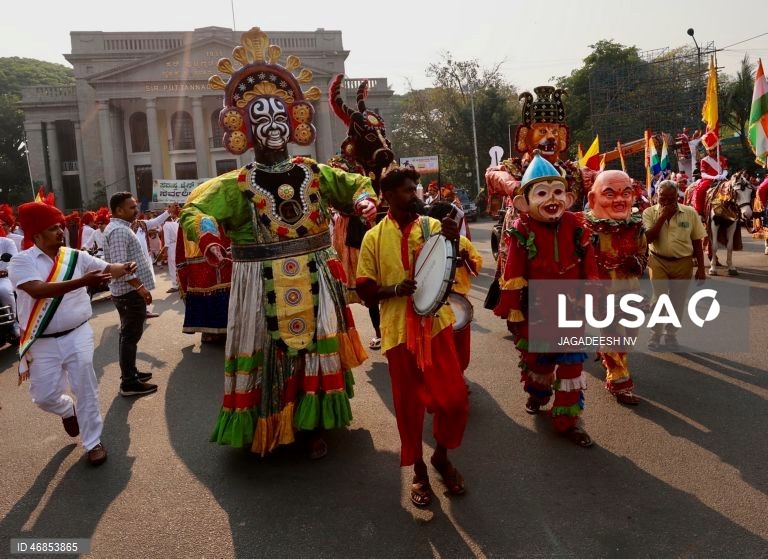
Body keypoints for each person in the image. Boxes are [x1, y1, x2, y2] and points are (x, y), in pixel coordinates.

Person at [179, 27, 376, 458]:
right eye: (261, 119)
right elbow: (194, 210)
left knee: (315, 348)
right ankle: (268, 419)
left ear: (296, 121)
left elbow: (356, 184)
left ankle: (315, 421)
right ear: (243, 129)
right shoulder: (235, 184)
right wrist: (209, 237)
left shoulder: (314, 172)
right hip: (258, 283)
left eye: (280, 117)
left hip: (316, 276)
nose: (273, 127)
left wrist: (364, 200)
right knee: (269, 353)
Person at [357, 166, 468, 507]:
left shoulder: (432, 226)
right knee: (408, 409)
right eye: (407, 190)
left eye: (415, 188)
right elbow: (365, 290)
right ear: (388, 195)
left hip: (436, 325)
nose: (414, 195)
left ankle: (441, 456)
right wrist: (394, 289)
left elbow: (458, 262)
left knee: (454, 400)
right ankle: (419, 469)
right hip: (397, 333)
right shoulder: (373, 237)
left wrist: (453, 240)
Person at [9, 201, 137, 466]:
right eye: (53, 228)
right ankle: (68, 409)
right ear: (37, 235)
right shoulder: (22, 261)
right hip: (41, 341)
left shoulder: (75, 256)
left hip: (78, 335)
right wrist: (83, 281)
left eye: (60, 226)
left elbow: (106, 268)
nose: (60, 232)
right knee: (44, 397)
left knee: (85, 388)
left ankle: (93, 442)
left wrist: (124, 267)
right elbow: (37, 290)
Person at [493, 153, 599, 447]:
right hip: (536, 311)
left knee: (571, 365)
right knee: (539, 365)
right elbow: (513, 272)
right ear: (524, 202)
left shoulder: (577, 225)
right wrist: (512, 310)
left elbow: (590, 266)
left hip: (571, 310)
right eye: (542, 193)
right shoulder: (522, 228)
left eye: (558, 192)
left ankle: (567, 421)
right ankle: (537, 395)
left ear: (569, 197)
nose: (552, 199)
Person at [583, 170, 648, 405]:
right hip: (602, 293)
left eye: (626, 193)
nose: (620, 200)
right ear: (593, 199)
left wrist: (636, 262)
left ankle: (607, 355)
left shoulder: (636, 225)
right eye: (610, 194)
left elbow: (643, 254)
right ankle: (619, 381)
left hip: (630, 290)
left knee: (631, 334)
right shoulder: (586, 228)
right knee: (615, 337)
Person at [103, 192, 159, 397]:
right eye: (132, 207)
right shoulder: (119, 231)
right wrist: (140, 288)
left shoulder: (122, 228)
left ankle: (131, 373)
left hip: (127, 292)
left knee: (129, 335)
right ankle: (129, 382)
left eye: (136, 206)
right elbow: (122, 266)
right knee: (130, 336)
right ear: (119, 210)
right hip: (129, 292)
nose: (137, 210)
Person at [642, 180, 707, 351]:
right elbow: (648, 238)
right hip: (658, 261)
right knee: (659, 299)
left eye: (671, 199)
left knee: (677, 301)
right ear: (657, 196)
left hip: (683, 262)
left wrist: (701, 269)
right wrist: (663, 216)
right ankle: (655, 334)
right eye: (662, 198)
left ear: (677, 197)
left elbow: (697, 242)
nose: (666, 202)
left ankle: (670, 334)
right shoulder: (649, 212)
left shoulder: (689, 213)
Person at [426, 201, 482, 379]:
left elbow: (475, 268)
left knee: (460, 346)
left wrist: (464, 259)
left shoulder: (463, 241)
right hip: (435, 304)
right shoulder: (428, 242)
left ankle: (458, 376)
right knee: (439, 346)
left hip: (459, 303)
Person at [0, 204, 19, 339]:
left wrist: (4, 270)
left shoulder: (7, 242)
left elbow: (13, 259)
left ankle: (14, 323)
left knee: (4, 291)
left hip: (4, 277)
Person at [162, 208, 180, 293]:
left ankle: (175, 285)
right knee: (178, 265)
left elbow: (167, 241)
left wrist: (165, 252)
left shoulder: (166, 225)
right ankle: (180, 284)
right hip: (178, 246)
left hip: (171, 247)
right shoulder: (175, 223)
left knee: (172, 267)